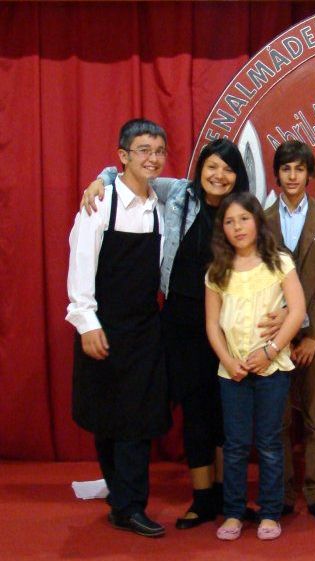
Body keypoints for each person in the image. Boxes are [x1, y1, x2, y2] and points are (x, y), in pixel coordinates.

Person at [82, 138, 251, 529]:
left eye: (227, 168)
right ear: (200, 168)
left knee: (228, 411)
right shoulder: (178, 194)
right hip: (181, 324)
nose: (218, 175)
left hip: (231, 324)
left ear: (236, 175)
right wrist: (100, 179)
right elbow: (129, 174)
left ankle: (231, 497)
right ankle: (203, 499)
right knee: (195, 411)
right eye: (211, 166)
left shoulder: (242, 209)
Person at [66, 118, 171, 538]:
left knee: (137, 419)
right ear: (123, 156)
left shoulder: (163, 205)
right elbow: (81, 267)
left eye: (159, 151)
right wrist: (86, 322)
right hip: (104, 325)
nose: (153, 159)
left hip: (146, 329)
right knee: (108, 416)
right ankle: (120, 497)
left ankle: (130, 505)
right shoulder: (99, 205)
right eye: (144, 150)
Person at [205, 192, 305, 541]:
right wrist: (228, 360)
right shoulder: (218, 271)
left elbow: (297, 310)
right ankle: (233, 512)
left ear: (257, 221)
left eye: (244, 219)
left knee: (269, 442)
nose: (238, 227)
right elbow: (212, 325)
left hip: (271, 369)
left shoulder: (278, 262)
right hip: (231, 372)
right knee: (234, 445)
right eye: (229, 222)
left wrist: (271, 350)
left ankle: (269, 512)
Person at [264, 140, 315, 524]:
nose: (292, 176)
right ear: (276, 174)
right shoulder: (261, 221)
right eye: (286, 169)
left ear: (310, 175)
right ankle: (280, 494)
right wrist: (282, 329)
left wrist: (313, 333)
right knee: (276, 420)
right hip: (274, 336)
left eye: (299, 169)